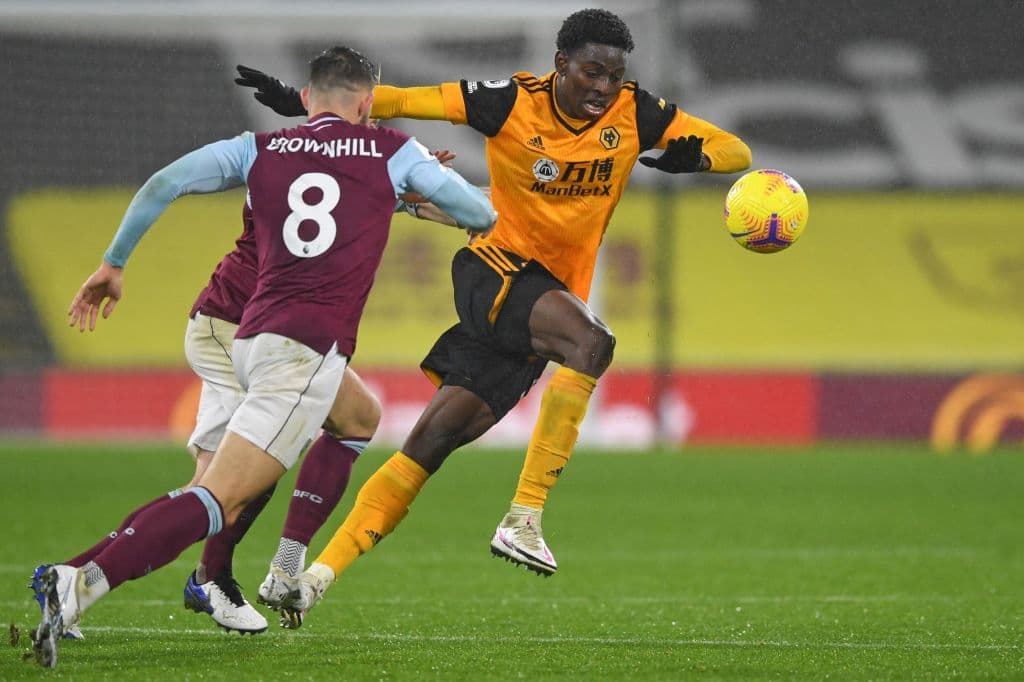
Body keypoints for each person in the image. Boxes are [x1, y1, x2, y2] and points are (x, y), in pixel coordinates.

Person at [236, 7, 751, 626]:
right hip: (494, 271)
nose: (602, 87)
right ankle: (524, 517)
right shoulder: (508, 101)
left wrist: (697, 160)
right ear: (560, 64)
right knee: (593, 343)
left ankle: (308, 580)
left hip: (542, 308)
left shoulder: (636, 113)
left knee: (430, 445)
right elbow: (402, 99)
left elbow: (737, 149)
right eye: (590, 72)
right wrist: (304, 102)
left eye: (614, 76)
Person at [31, 45, 496, 669]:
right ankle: (86, 582)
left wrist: (113, 264)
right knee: (217, 499)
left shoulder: (261, 149)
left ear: (304, 100)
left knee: (355, 419)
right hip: (298, 351)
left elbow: (164, 182)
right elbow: (479, 213)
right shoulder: (390, 151)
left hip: (256, 335)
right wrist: (417, 183)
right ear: (368, 103)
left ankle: (271, 567)